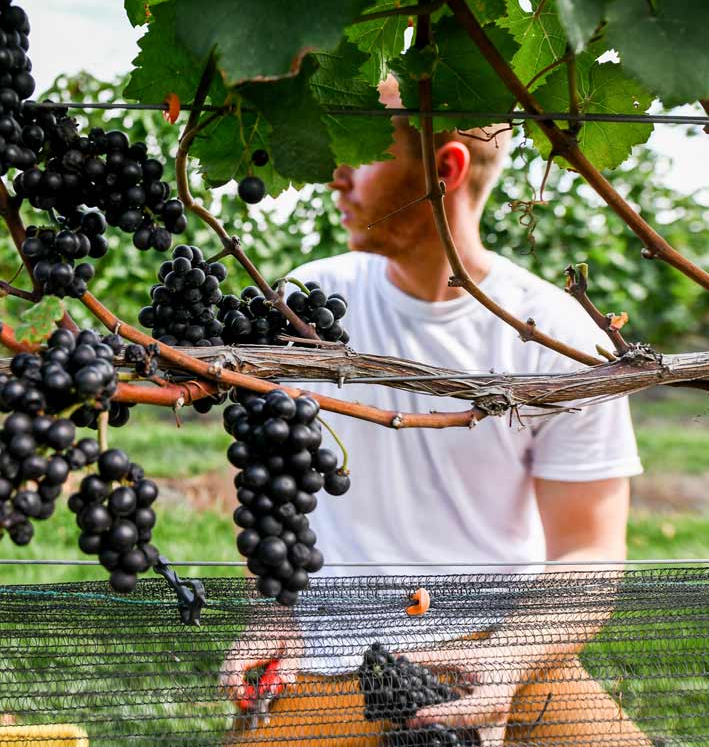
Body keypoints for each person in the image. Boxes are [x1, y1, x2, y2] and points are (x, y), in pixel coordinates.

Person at [218, 78, 649, 746]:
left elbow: (590, 546)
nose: (336, 175)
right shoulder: (306, 305)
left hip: (502, 640)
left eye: (360, 150)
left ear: (444, 169)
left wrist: (508, 660)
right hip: (330, 652)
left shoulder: (562, 339)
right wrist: (275, 614)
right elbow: (267, 493)